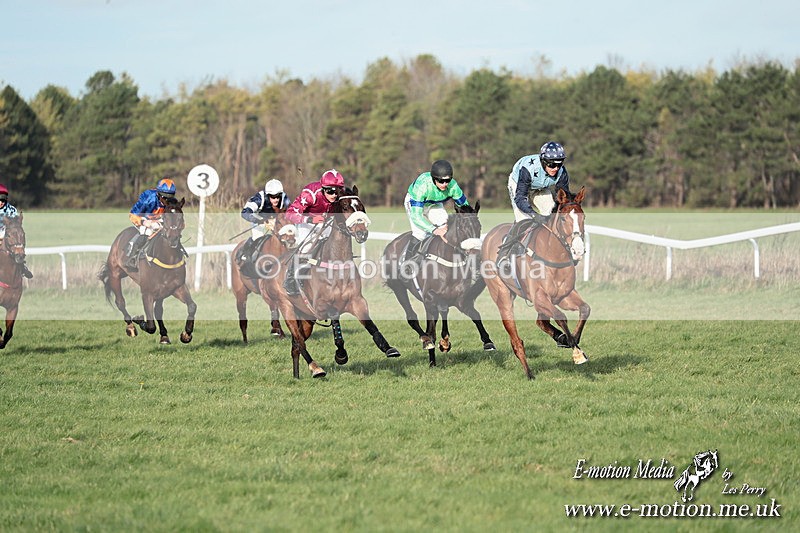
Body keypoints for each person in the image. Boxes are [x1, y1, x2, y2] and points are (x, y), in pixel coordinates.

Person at [502, 141, 572, 255]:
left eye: (559, 164)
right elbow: (520, 199)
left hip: (539, 187)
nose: (556, 168)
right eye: (551, 165)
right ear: (544, 162)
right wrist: (534, 214)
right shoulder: (528, 169)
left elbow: (563, 199)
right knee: (523, 219)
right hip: (518, 184)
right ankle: (506, 250)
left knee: (550, 211)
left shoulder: (562, 172)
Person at [283, 169, 345, 294]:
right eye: (330, 191)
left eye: (338, 191)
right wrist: (311, 219)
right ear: (323, 189)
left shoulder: (339, 196)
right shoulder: (310, 194)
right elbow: (289, 214)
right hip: (307, 223)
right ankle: (290, 278)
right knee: (306, 251)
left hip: (327, 222)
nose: (334, 195)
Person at [403, 159, 469, 264]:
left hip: (433, 204)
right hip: (414, 203)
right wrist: (433, 230)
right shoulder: (422, 187)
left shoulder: (453, 187)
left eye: (447, 180)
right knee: (420, 233)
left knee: (446, 227)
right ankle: (406, 263)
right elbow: (416, 216)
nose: (444, 184)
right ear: (434, 179)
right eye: (441, 181)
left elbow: (465, 206)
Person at [237, 178, 290, 269]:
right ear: (267, 194)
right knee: (257, 237)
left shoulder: (285, 198)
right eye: (273, 197)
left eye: (278, 196)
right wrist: (260, 220)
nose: (276, 199)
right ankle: (246, 256)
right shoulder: (259, 198)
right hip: (259, 221)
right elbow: (245, 213)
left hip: (276, 222)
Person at [126, 178, 177, 270]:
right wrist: (144, 222)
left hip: (160, 220)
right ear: (158, 193)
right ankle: (133, 257)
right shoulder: (148, 198)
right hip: (143, 219)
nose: (167, 199)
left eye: (170, 196)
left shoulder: (172, 202)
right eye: (164, 195)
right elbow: (132, 215)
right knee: (148, 231)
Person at [0, 184, 33, 279]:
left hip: (7, 232)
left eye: (3, 200)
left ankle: (22, 267)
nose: (1, 203)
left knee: (16, 244)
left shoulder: (12, 209)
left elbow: (15, 223)